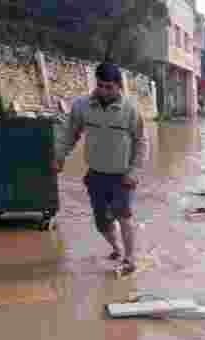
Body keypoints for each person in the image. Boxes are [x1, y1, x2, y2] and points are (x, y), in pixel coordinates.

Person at [52, 61, 147, 276]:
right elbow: (70, 133)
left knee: (124, 215)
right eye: (101, 86)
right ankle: (117, 248)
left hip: (123, 176)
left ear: (118, 86)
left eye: (109, 87)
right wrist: (59, 157)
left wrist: (134, 172)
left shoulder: (131, 110)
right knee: (101, 222)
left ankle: (130, 259)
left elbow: (142, 142)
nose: (104, 91)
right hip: (95, 174)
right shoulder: (82, 107)